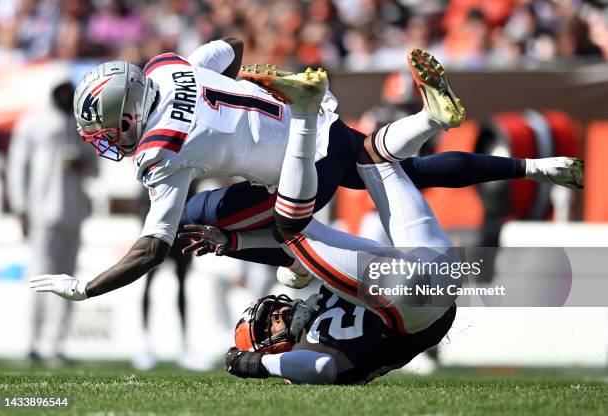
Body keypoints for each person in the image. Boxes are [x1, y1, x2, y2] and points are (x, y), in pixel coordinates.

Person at [29, 41, 582, 302]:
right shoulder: (171, 66)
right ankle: (529, 163)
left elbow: (152, 247)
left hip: (303, 169)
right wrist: (228, 106)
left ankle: (298, 270)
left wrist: (87, 287)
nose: (106, 138)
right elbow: (232, 47)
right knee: (393, 165)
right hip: (325, 116)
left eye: (105, 125)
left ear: (127, 113)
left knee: (208, 222)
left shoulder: (159, 151)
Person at [209, 66, 458, 384]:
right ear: (270, 350)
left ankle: (521, 160)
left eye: (268, 312)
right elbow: (318, 368)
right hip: (409, 305)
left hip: (433, 278)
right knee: (291, 225)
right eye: (266, 325)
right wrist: (258, 366)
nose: (276, 314)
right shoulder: (301, 356)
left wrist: (235, 244)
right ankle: (307, 110)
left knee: (375, 157)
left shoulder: (312, 318)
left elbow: (300, 263)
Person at [7, 80, 98, 363]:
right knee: (39, 279)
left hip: (73, 213)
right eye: (62, 93)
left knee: (67, 281)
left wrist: (80, 164)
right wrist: (20, 208)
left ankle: (56, 345)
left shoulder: (81, 125)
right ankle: (33, 345)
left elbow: (94, 168)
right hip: (41, 213)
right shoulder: (33, 122)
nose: (65, 98)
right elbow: (17, 166)